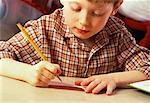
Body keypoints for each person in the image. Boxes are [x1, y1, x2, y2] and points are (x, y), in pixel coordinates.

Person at [0, 0, 149, 95]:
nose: (84, 21)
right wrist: (27, 72)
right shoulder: (43, 29)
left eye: (97, 13)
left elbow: (146, 69)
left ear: (116, 7)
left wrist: (114, 79)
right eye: (76, 9)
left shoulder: (117, 34)